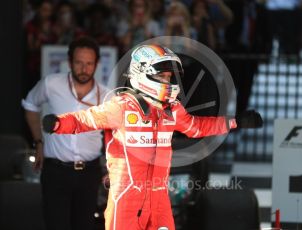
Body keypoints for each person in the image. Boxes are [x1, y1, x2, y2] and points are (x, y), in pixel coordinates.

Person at [41, 44, 263, 230]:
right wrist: (59, 123)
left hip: (159, 198)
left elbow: (195, 127)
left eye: (169, 76)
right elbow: (85, 119)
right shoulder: (122, 107)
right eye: (161, 75)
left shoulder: (172, 109)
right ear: (141, 73)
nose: (167, 81)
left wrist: (234, 122)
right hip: (127, 197)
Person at [22, 36, 109, 230]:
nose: (84, 69)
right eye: (79, 63)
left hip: (90, 172)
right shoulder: (51, 84)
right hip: (56, 170)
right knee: (56, 224)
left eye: (89, 63)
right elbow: (29, 105)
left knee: (85, 225)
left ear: (96, 65)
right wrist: (38, 142)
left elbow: (117, 133)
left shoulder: (106, 95)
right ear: (69, 62)